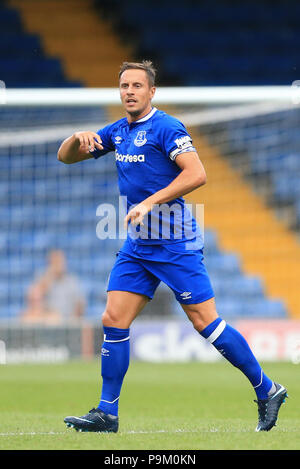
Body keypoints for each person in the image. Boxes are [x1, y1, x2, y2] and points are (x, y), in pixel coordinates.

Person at [58, 61, 287, 433]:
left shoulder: (166, 126)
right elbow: (65, 157)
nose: (129, 91)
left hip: (175, 243)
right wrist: (75, 138)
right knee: (113, 319)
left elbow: (197, 173)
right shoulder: (118, 131)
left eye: (136, 85)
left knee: (205, 322)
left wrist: (151, 201)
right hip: (138, 245)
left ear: (151, 92)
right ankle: (106, 413)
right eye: (124, 85)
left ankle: (267, 388)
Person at [22, 249, 85, 324]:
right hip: (48, 318)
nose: (59, 265)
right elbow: (35, 295)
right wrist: (50, 275)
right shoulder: (43, 276)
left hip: (68, 321)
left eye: (60, 261)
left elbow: (80, 304)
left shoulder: (71, 281)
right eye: (55, 262)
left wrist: (73, 319)